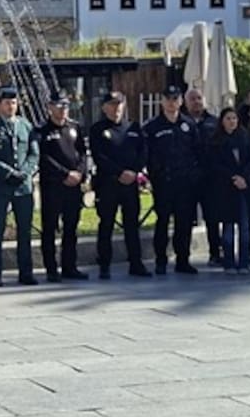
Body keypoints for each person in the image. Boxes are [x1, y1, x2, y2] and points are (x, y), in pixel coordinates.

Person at [90, 92, 151, 279]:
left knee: (132, 224)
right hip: (108, 184)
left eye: (119, 104)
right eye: (112, 104)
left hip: (130, 184)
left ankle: (136, 263)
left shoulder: (133, 127)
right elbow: (99, 156)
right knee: (106, 224)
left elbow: (143, 152)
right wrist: (118, 173)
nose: (116, 108)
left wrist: (134, 171)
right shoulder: (98, 129)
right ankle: (104, 264)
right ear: (104, 107)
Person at [0, 86, 39, 287]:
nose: (10, 107)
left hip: (23, 187)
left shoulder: (26, 126)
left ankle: (26, 272)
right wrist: (8, 173)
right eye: (6, 103)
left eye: (13, 103)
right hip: (1, 187)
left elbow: (33, 153)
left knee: (25, 232)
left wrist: (25, 172)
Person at [143, 84, 202, 275]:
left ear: (180, 101)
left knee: (184, 224)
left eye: (175, 99)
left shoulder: (189, 125)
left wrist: (194, 175)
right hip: (164, 183)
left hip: (186, 184)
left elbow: (197, 151)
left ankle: (183, 260)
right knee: (162, 222)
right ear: (162, 101)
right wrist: (155, 177)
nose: (171, 102)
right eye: (168, 99)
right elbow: (147, 156)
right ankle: (161, 260)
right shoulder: (152, 127)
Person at [35, 92, 88, 282]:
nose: (62, 109)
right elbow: (43, 158)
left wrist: (80, 173)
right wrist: (64, 174)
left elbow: (82, 153)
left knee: (70, 228)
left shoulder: (74, 127)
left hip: (73, 186)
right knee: (49, 228)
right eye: (58, 105)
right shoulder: (42, 130)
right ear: (50, 107)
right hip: (53, 186)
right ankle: (51, 269)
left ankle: (69, 266)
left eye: (65, 106)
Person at [205, 107, 250, 274]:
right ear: (222, 121)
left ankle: (244, 262)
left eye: (234, 118)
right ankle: (228, 262)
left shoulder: (244, 138)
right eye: (228, 118)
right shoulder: (216, 141)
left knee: (245, 225)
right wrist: (233, 178)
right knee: (228, 226)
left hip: (244, 187)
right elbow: (214, 165)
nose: (232, 121)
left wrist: (244, 178)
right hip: (225, 188)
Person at [183, 88, 222, 266]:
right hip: (188, 179)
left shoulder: (215, 122)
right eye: (192, 99)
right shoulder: (180, 122)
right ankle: (183, 257)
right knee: (185, 219)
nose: (196, 101)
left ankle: (216, 253)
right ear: (186, 102)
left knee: (212, 218)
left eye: (199, 98)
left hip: (210, 179)